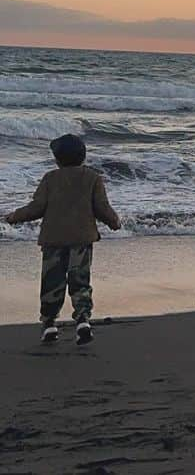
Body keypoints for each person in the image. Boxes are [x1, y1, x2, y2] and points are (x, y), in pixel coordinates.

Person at [4, 134, 122, 345]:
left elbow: (37, 208)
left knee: (52, 281)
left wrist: (14, 217)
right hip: (81, 238)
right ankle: (83, 321)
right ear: (83, 156)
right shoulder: (92, 178)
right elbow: (102, 208)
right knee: (80, 280)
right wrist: (114, 222)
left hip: (53, 239)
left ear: (57, 159)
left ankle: (49, 323)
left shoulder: (50, 178)